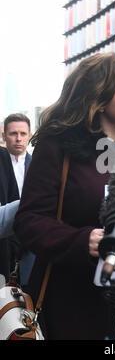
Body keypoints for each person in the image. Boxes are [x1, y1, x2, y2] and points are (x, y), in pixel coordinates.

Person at [13, 52, 115, 340]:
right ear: (98, 100)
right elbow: (29, 221)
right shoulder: (58, 146)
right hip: (76, 307)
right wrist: (81, 241)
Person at [0, 114, 33, 285]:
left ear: (30, 135)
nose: (18, 138)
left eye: (23, 133)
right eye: (13, 134)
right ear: (4, 136)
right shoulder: (3, 160)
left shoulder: (38, 166)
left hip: (29, 242)